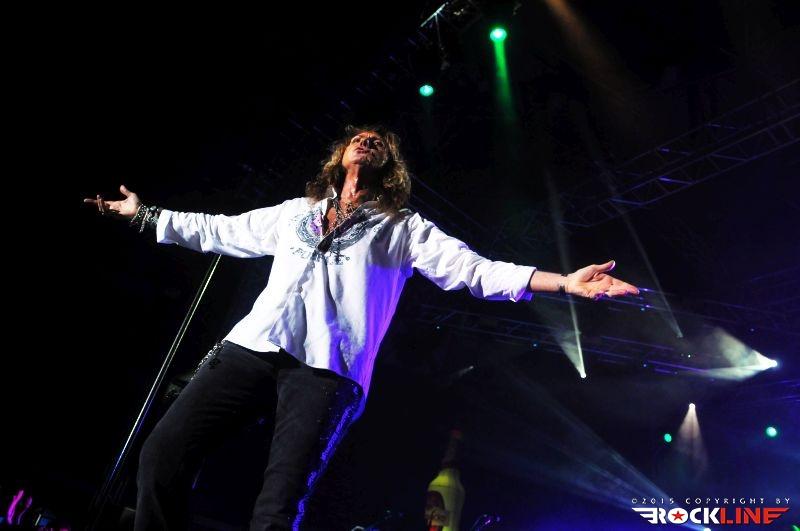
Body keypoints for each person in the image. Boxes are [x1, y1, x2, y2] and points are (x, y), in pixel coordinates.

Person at [84, 125, 639, 530]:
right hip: (252, 345)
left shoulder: (403, 227)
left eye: (380, 142)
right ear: (340, 155)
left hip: (328, 370)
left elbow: (475, 270)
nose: (367, 140)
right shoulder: (295, 212)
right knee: (162, 454)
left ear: (390, 165)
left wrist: (563, 282)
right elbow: (218, 230)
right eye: (359, 136)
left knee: (277, 507)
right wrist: (144, 215)